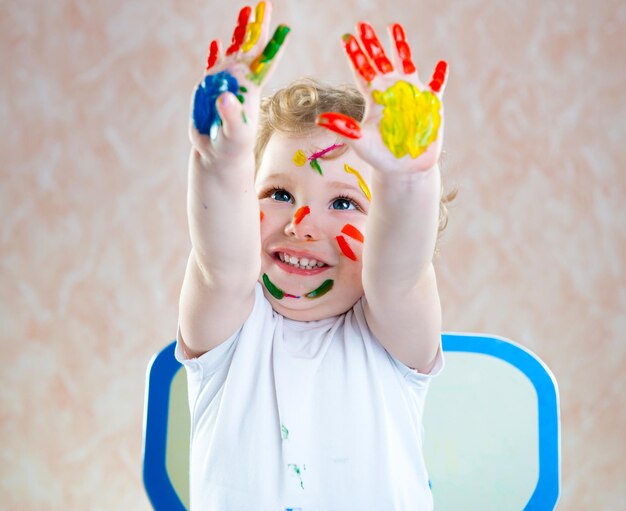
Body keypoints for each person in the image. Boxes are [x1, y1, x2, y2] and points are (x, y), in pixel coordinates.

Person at [176, 2, 452, 509]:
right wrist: (222, 159)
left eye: (344, 203)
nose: (301, 225)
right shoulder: (230, 328)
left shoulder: (393, 335)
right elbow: (224, 267)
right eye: (279, 194)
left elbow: (399, 276)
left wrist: (408, 179)